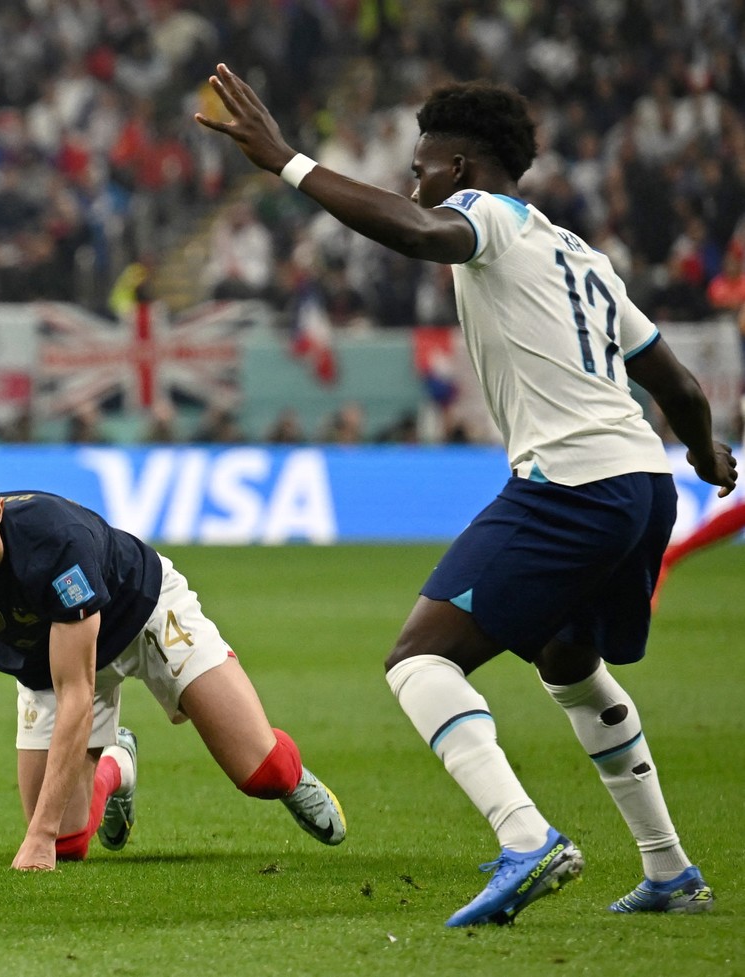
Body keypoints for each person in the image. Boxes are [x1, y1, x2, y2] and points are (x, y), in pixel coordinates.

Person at [197, 68, 737, 925]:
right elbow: (674, 379)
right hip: (641, 483)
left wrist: (287, 163)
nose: (415, 183)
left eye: (421, 168)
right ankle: (668, 869)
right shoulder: (583, 256)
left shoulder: (485, 217)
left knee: (418, 658)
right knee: (565, 660)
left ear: (458, 166)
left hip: (571, 480)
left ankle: (525, 838)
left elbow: (414, 233)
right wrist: (706, 452)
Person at [0, 454, 346, 872]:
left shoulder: (56, 544)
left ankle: (289, 775)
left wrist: (33, 839)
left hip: (140, 615)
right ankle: (117, 765)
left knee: (260, 773)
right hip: (45, 660)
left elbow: (78, 692)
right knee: (69, 842)